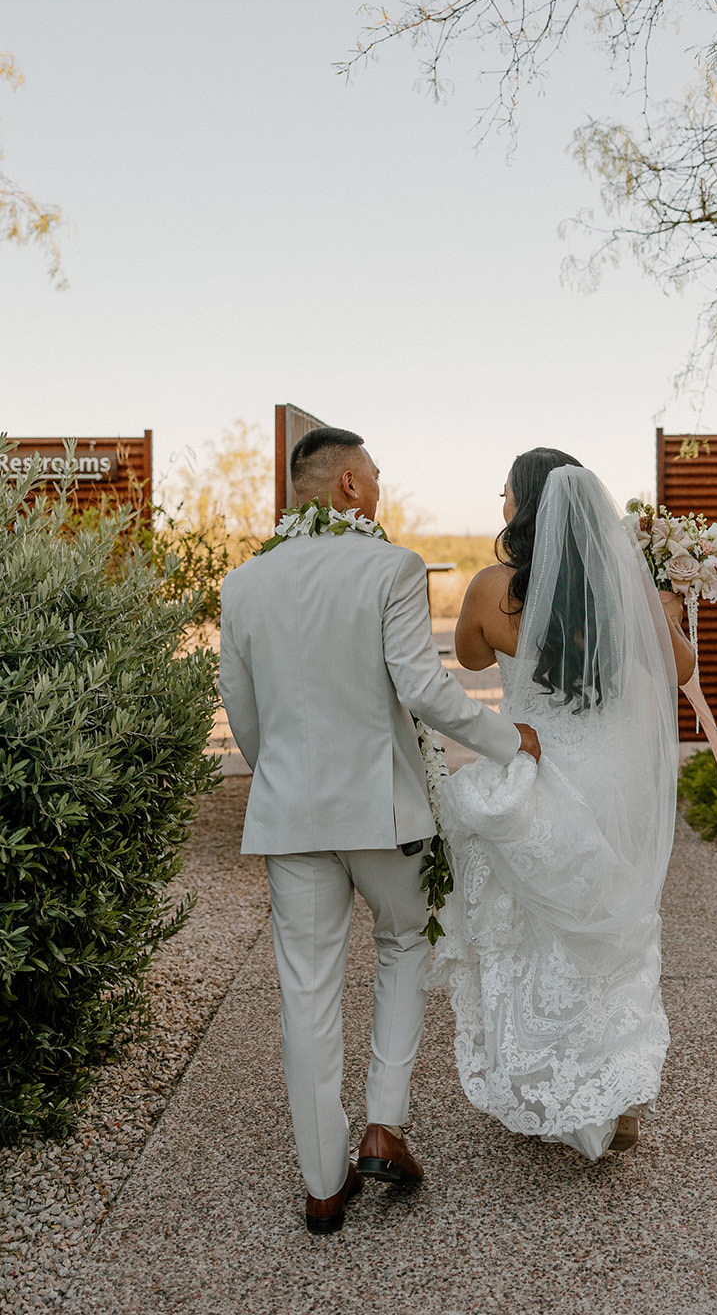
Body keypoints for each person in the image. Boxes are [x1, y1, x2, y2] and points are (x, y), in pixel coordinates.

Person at [219, 426, 540, 1233]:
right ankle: (382, 1125)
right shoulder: (390, 567)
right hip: (383, 814)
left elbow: (245, 715)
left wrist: (287, 782)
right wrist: (510, 740)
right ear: (350, 487)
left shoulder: (245, 584)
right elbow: (423, 688)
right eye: (377, 475)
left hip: (289, 816)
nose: (382, 488)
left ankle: (323, 1184)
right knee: (404, 942)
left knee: (305, 992)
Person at [433, 448, 694, 1160]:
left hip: (538, 766)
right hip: (609, 775)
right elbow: (676, 669)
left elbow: (471, 660)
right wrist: (662, 612)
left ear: (526, 507)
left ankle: (545, 1084)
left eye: (506, 494)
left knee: (531, 930)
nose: (501, 504)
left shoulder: (492, 587)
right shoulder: (621, 587)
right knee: (616, 927)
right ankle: (621, 1094)